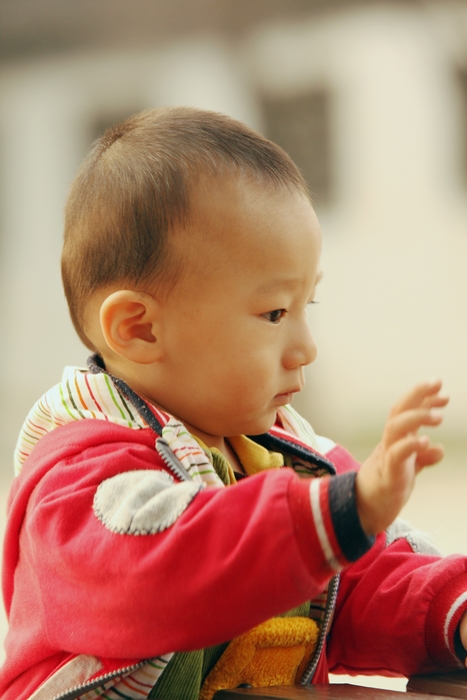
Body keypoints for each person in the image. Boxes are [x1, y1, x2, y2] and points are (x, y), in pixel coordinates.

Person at [0, 106, 464, 700]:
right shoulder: (79, 483)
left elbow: (361, 577)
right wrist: (339, 512)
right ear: (139, 330)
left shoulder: (283, 455)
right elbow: (169, 568)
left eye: (306, 307)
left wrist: (453, 612)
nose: (306, 348)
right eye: (274, 313)